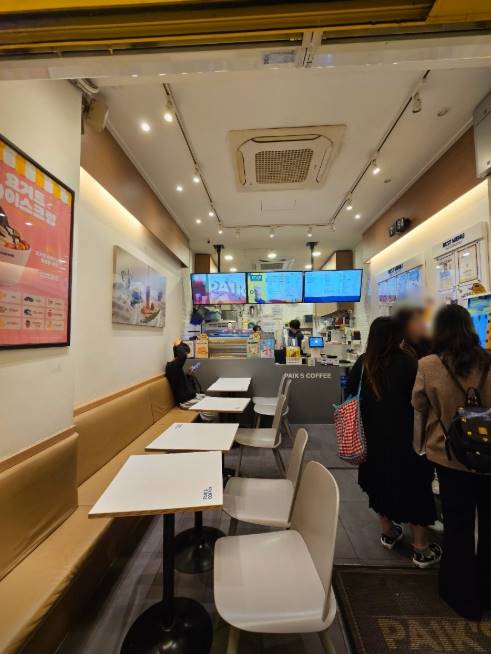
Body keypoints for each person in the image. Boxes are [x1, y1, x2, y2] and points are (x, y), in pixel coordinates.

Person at [412, 304, 491, 620]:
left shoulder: (429, 365)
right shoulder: (488, 360)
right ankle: (488, 592)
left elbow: (418, 405)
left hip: (449, 455)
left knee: (457, 525)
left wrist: (419, 446)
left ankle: (462, 596)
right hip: (488, 457)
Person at [346, 317, 440, 567]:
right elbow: (423, 401)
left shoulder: (364, 364)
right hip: (408, 441)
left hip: (371, 440)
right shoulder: (410, 364)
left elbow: (349, 396)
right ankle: (421, 548)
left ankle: (388, 532)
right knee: (415, 488)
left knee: (378, 483)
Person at [165, 340, 198, 405]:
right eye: (186, 354)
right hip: (184, 401)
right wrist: (178, 345)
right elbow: (183, 356)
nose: (187, 357)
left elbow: (180, 381)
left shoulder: (175, 367)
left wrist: (188, 374)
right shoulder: (172, 367)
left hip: (189, 397)